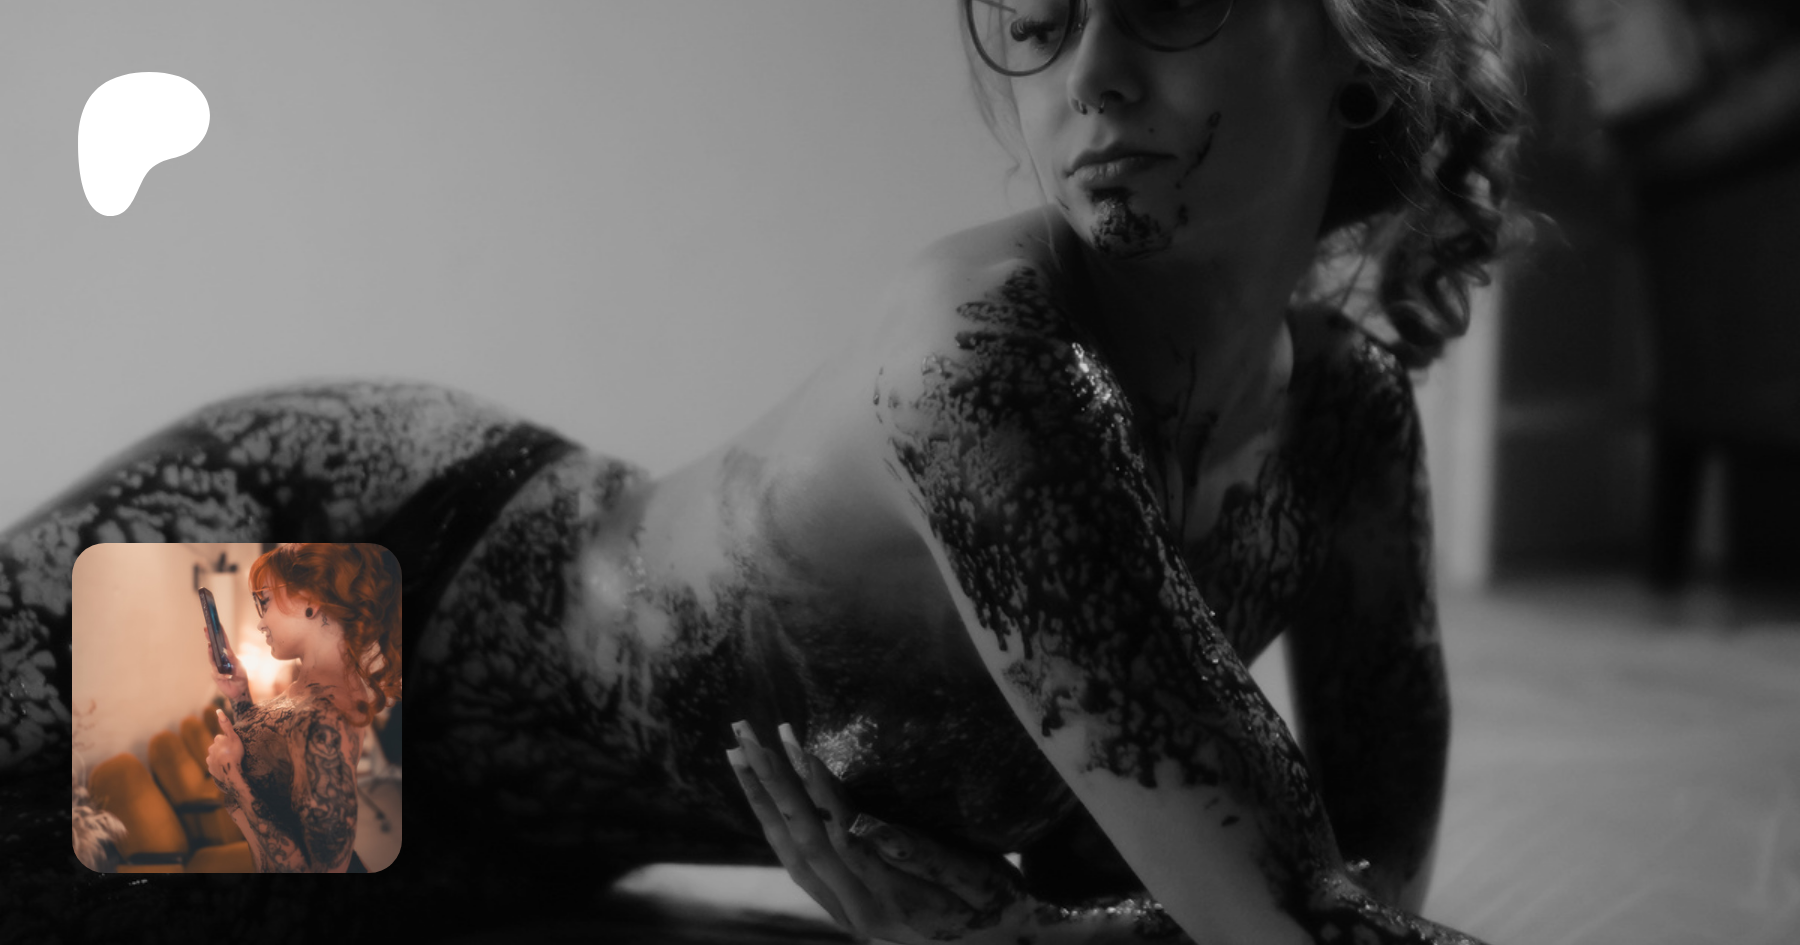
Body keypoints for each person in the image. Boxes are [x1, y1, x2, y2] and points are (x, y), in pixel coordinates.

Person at [0, 0, 1521, 938]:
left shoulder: (1345, 422)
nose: (1094, 77)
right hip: (356, 569)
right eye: (1039, 20)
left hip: (504, 851)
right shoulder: (986, 356)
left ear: (1365, 42)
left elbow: (1357, 894)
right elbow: (1289, 921)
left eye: (1172, 0)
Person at [199, 542, 400, 873]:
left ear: (310, 601)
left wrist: (233, 778)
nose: (261, 623)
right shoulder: (310, 686)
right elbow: (275, 764)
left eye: (263, 602)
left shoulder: (325, 716)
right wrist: (240, 695)